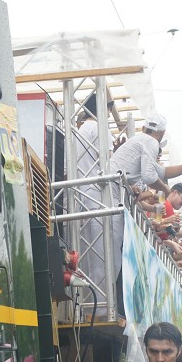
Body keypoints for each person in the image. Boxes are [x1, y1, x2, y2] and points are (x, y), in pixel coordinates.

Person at [109, 113, 182, 278]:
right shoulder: (150, 142)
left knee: (113, 263)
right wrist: (161, 191)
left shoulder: (162, 200)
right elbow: (156, 221)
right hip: (113, 199)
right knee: (110, 263)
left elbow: (162, 175)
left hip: (118, 201)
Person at [75, 92, 114, 291]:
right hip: (96, 193)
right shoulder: (100, 128)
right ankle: (101, 307)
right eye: (109, 107)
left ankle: (86, 305)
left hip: (78, 194)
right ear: (102, 108)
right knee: (103, 254)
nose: (109, 113)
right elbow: (107, 160)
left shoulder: (81, 129)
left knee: (84, 255)